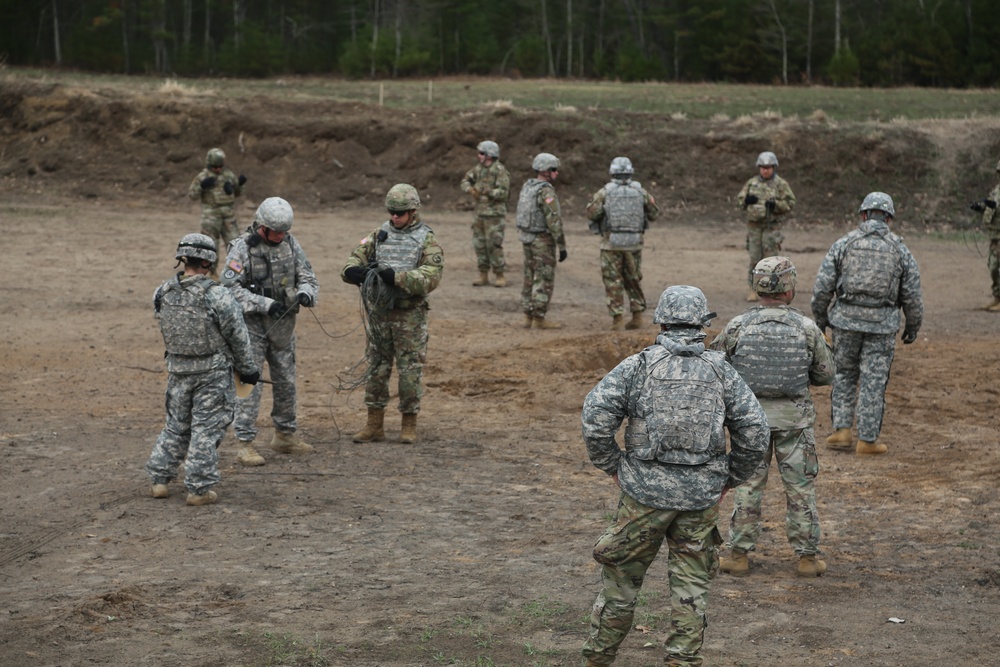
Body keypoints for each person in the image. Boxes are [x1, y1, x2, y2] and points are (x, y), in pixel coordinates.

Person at [581, 285, 769, 667]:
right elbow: (755, 431)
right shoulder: (721, 370)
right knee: (691, 588)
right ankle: (682, 661)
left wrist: (613, 466)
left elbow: (596, 417)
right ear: (702, 323)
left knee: (620, 585)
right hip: (700, 498)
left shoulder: (638, 365)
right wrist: (728, 479)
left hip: (642, 497)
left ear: (661, 321)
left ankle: (598, 659)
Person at [710, 256, 835, 578]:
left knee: (748, 489)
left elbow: (715, 367)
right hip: (795, 423)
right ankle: (807, 558)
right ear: (789, 288)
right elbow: (825, 374)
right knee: (800, 490)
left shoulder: (738, 325)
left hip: (750, 422)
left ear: (757, 285)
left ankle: (738, 555)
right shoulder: (807, 328)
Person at [145, 234, 260, 506]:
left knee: (176, 426)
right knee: (205, 430)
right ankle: (198, 488)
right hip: (212, 373)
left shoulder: (162, 291)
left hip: (177, 370)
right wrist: (248, 369)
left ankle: (159, 479)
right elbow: (237, 335)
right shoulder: (217, 294)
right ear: (209, 262)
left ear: (182, 258)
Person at [812, 192, 923, 456]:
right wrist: (912, 326)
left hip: (845, 323)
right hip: (882, 327)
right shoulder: (900, 249)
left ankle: (841, 431)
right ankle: (868, 440)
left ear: (863, 215)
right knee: (874, 381)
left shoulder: (844, 243)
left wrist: (821, 320)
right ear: (889, 218)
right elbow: (912, 295)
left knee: (844, 374)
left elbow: (822, 287)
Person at [342, 184, 444, 445]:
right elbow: (355, 257)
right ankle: (374, 424)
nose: (395, 217)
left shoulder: (426, 239)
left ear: (413, 211)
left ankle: (408, 424)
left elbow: (430, 278)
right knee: (376, 367)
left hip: (409, 317)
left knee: (410, 371)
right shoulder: (379, 234)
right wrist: (354, 272)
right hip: (379, 314)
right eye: (391, 212)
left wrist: (395, 278)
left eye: (400, 213)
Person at [220, 196, 319, 466]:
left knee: (286, 380)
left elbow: (308, 276)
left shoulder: (291, 243)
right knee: (249, 383)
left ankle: (285, 434)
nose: (279, 236)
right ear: (261, 226)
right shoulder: (242, 248)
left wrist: (306, 293)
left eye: (283, 231)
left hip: (283, 325)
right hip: (251, 328)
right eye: (275, 231)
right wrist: (265, 304)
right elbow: (228, 289)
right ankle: (245, 442)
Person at [585, 156, 660, 330]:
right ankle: (637, 315)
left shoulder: (605, 191)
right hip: (634, 243)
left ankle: (617, 318)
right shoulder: (640, 191)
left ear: (612, 172)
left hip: (611, 243)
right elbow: (654, 213)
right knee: (633, 278)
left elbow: (592, 213)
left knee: (613, 280)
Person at [516, 152, 567, 329]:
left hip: (526, 237)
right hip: (542, 240)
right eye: (554, 169)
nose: (556, 173)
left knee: (529, 276)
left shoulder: (528, 186)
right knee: (543, 278)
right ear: (546, 171)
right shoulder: (546, 190)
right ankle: (539, 318)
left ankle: (527, 316)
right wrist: (561, 245)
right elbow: (554, 219)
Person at [736, 151, 796, 302]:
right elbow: (739, 200)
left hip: (771, 228)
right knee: (755, 258)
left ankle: (773, 290)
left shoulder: (781, 184)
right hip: (754, 228)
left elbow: (790, 203)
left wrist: (776, 205)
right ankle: (753, 288)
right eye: (762, 167)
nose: (765, 170)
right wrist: (746, 201)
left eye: (768, 167)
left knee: (771, 261)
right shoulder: (751, 183)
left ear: (773, 167)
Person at [188, 148, 246, 276]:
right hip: (211, 216)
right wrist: (202, 186)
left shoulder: (228, 175)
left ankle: (237, 272)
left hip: (228, 216)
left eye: (220, 166)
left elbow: (238, 192)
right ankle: (212, 273)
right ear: (209, 164)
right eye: (215, 167)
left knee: (236, 244)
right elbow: (192, 195)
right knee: (211, 246)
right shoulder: (202, 177)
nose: (218, 169)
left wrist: (239, 185)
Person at [460, 140, 511, 287]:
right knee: (479, 245)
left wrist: (488, 192)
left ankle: (500, 274)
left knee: (494, 245)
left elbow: (503, 192)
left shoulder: (499, 170)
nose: (479, 156)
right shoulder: (478, 170)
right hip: (480, 214)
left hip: (494, 215)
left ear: (490, 155)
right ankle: (483, 274)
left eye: (482, 153)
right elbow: (465, 181)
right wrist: (470, 190)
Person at [969, 158, 1000, 311]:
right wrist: (979, 206)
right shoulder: (996, 189)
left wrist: (995, 206)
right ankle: (997, 297)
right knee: (993, 266)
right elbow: (989, 204)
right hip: (995, 235)